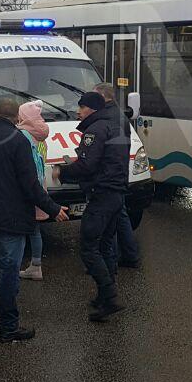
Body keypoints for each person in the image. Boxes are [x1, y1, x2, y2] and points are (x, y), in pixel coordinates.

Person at [0, 97, 67, 342]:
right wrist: (52, 208)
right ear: (17, 118)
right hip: (13, 219)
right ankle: (8, 327)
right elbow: (30, 184)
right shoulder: (18, 141)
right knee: (9, 270)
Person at [54, 91, 130, 322]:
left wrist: (62, 172)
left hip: (102, 194)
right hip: (116, 193)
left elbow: (87, 165)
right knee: (106, 245)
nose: (78, 112)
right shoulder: (115, 125)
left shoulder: (95, 129)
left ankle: (110, 296)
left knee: (88, 247)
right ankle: (104, 297)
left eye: (82, 107)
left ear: (92, 109)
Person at [94, 82, 141, 268]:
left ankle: (110, 261)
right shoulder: (119, 115)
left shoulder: (107, 117)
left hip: (110, 175)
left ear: (103, 97)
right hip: (120, 173)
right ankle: (130, 255)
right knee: (120, 215)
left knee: (110, 221)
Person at [16, 100, 52, 281]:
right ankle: (36, 265)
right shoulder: (41, 136)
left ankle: (12, 267)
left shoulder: (22, 135)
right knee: (34, 229)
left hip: (25, 189)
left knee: (20, 229)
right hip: (40, 186)